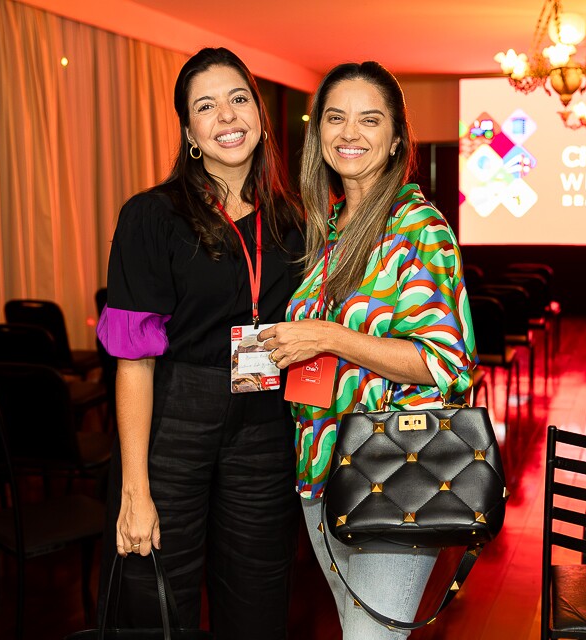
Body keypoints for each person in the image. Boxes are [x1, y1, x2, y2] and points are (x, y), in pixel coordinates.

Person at [258, 61, 476, 639]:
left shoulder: (416, 227)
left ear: (396, 137)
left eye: (369, 119)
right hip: (319, 465)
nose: (350, 132)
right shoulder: (326, 226)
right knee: (357, 628)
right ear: (318, 133)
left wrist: (328, 336)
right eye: (336, 117)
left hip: (395, 466)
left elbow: (445, 365)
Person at [96, 47, 304, 638]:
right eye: (206, 107)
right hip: (174, 423)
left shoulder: (294, 220)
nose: (227, 117)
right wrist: (135, 488)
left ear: (260, 116)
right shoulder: (152, 216)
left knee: (259, 594)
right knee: (160, 598)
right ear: (189, 130)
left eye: (239, 99)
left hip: (265, 422)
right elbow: (132, 360)